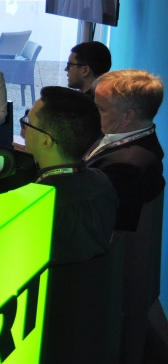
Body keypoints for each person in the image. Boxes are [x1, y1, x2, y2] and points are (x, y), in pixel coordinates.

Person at [21, 86, 116, 265]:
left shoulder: (36, 201)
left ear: (46, 141)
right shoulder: (102, 182)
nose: (24, 130)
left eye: (28, 123)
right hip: (93, 281)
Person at [84, 69, 164, 232]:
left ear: (128, 116)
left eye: (101, 108)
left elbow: (99, 226)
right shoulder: (116, 129)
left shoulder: (129, 167)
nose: (93, 113)